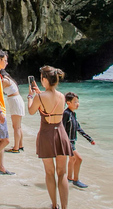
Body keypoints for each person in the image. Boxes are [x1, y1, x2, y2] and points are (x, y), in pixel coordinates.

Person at [28, 66, 72, 209]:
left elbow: (31, 111)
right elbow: (51, 101)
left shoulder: (39, 97)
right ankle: (65, 206)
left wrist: (30, 97)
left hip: (47, 134)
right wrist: (40, 94)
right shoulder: (62, 96)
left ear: (45, 79)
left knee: (49, 172)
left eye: (41, 78)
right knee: (62, 173)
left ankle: (54, 205)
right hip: (61, 133)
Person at [62, 92, 95, 189]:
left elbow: (78, 128)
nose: (77, 104)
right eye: (75, 102)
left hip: (72, 141)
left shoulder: (73, 114)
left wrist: (89, 139)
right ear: (68, 103)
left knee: (72, 159)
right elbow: (62, 128)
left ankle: (69, 178)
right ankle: (76, 180)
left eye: (78, 102)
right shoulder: (66, 114)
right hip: (67, 141)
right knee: (78, 159)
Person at [0, 68, 25, 153]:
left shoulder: (5, 81)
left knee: (16, 127)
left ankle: (16, 148)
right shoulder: (9, 79)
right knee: (18, 126)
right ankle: (20, 145)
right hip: (16, 101)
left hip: (15, 102)